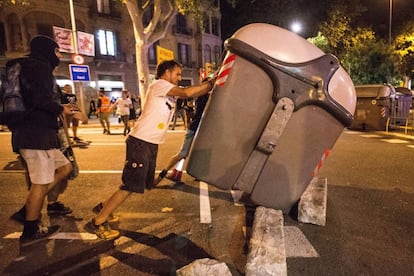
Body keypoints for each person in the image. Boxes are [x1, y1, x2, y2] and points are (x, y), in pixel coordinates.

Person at [85, 60, 216, 240]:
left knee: (138, 184)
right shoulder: (159, 85)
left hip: (149, 143)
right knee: (130, 186)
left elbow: (192, 93)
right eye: (177, 74)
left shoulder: (168, 91)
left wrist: (211, 85)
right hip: (140, 142)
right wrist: (209, 83)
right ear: (167, 72)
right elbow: (187, 93)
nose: (179, 77)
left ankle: (103, 207)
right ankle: (98, 222)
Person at [8, 35, 74, 247]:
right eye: (57, 51)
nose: (59, 55)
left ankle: (27, 210)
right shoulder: (38, 67)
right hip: (35, 134)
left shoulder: (31, 66)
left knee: (64, 167)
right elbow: (40, 99)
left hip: (39, 134)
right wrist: (61, 108)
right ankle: (29, 230)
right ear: (47, 50)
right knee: (40, 183)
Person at [154, 92, 210, 185]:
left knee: (190, 153)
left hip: (197, 130)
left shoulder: (202, 98)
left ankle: (177, 174)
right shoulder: (204, 98)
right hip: (194, 130)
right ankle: (161, 175)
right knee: (182, 154)